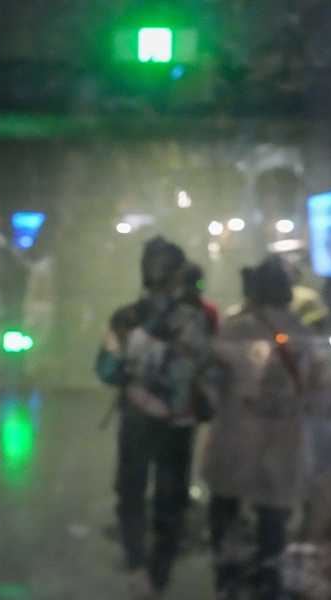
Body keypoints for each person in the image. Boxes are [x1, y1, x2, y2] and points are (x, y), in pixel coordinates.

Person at [96, 236, 215, 600]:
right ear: (179, 275)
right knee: (169, 502)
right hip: (177, 422)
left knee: (131, 495)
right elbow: (207, 372)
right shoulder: (194, 319)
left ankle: (137, 570)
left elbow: (106, 369)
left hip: (136, 419)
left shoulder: (125, 317)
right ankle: (157, 579)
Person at [202, 255, 327, 600]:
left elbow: (212, 384)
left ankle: (228, 584)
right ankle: (267, 588)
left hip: (236, 440)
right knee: (273, 523)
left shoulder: (235, 329)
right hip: (285, 443)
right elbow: (320, 393)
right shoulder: (306, 335)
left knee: (225, 514)